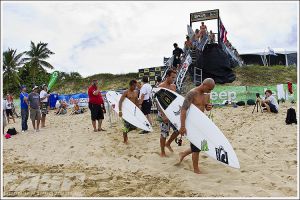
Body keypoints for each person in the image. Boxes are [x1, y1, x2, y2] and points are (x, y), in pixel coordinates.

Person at [177, 78, 215, 174]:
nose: (209, 91)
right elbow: (183, 110)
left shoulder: (207, 95)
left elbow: (206, 108)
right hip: (192, 123)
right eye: (209, 89)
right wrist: (182, 126)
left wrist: (209, 107)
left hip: (201, 122)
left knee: (202, 144)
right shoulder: (192, 93)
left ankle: (183, 154)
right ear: (204, 84)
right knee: (196, 146)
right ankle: (196, 169)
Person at [157, 69, 180, 157]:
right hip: (163, 113)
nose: (174, 79)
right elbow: (158, 102)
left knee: (178, 130)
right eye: (172, 77)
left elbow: (175, 100)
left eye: (175, 77)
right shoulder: (161, 86)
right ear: (167, 76)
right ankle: (162, 152)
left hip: (172, 112)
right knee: (164, 133)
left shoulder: (173, 86)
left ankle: (168, 143)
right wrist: (163, 115)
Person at [119, 80, 139, 144]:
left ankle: (125, 132)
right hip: (126, 112)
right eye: (134, 86)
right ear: (130, 85)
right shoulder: (126, 92)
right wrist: (120, 111)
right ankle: (125, 140)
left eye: (136, 86)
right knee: (126, 126)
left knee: (134, 126)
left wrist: (138, 110)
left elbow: (136, 101)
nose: (135, 87)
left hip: (133, 111)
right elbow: (120, 101)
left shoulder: (136, 92)